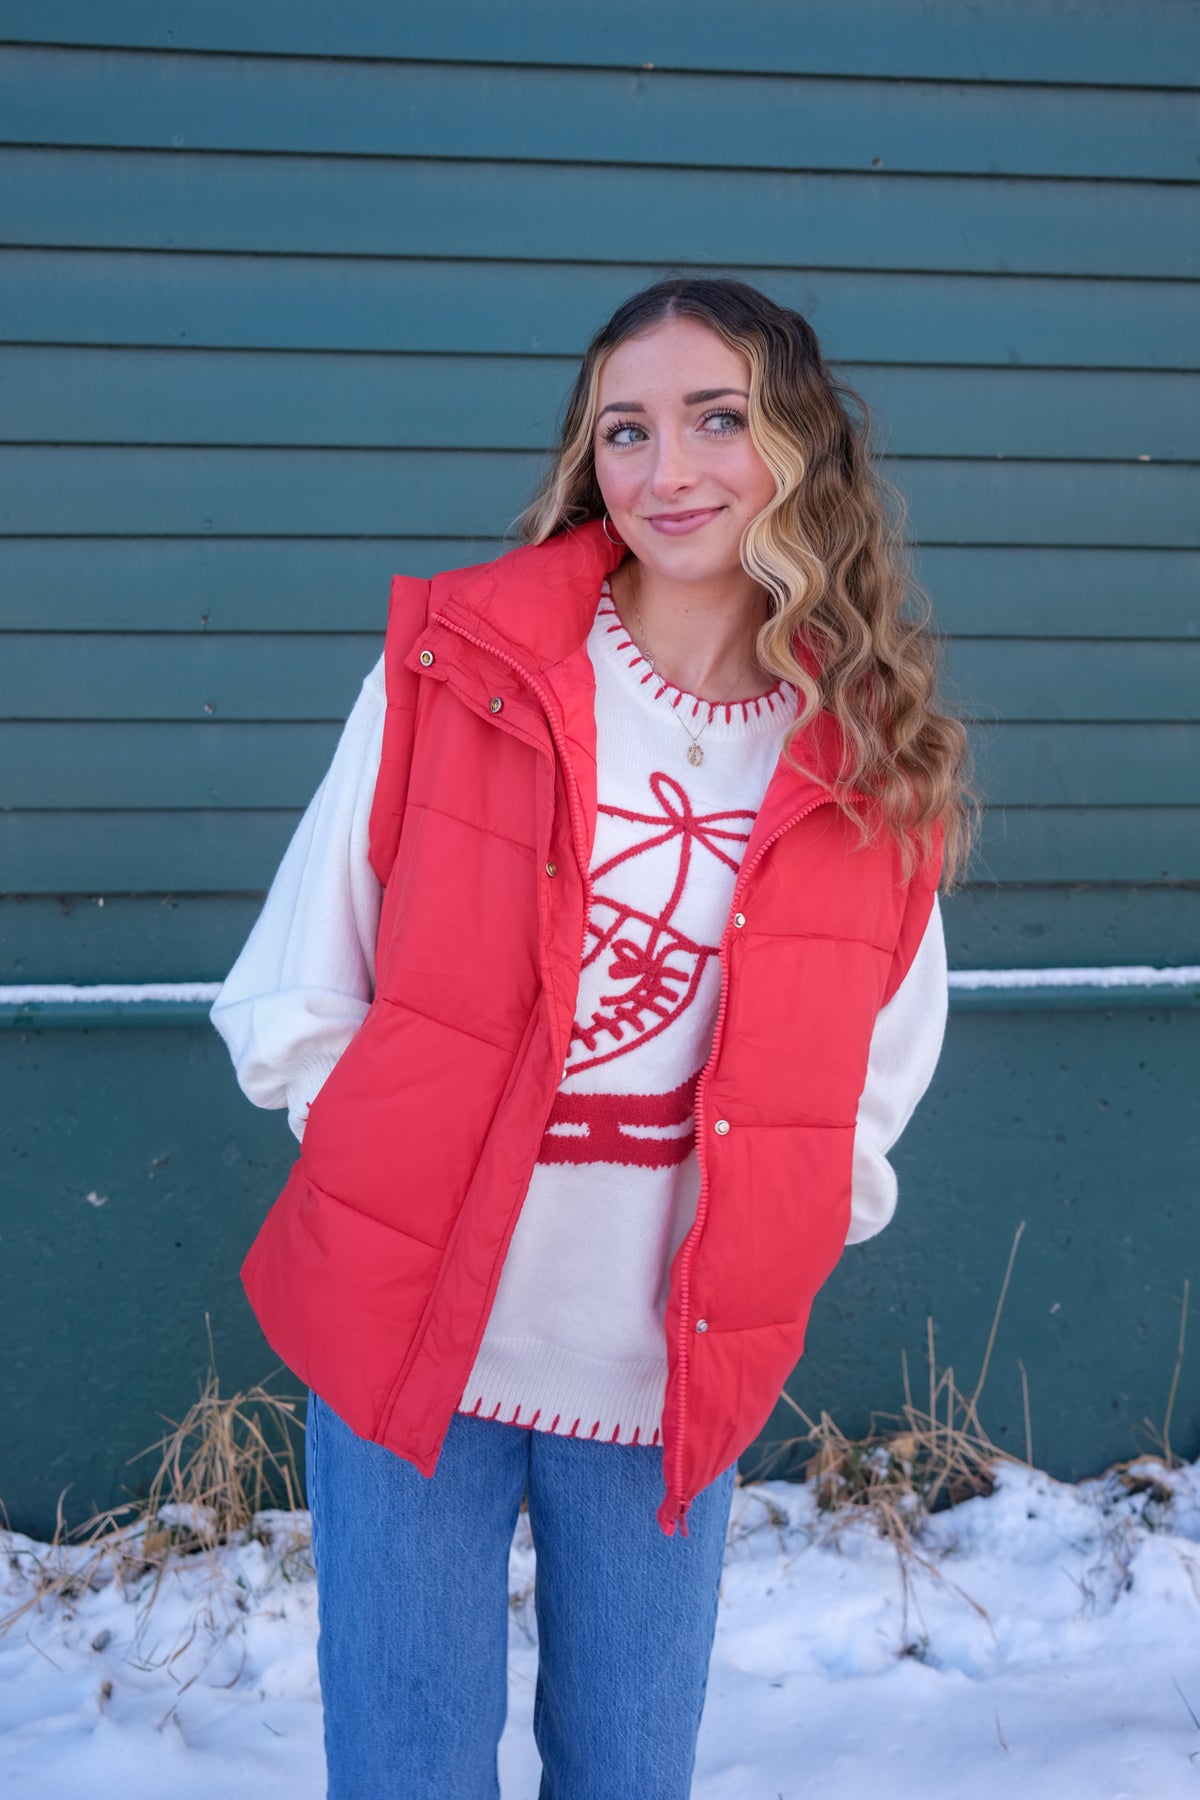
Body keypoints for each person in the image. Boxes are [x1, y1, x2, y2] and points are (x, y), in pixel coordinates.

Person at [210, 275, 971, 1799]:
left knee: (629, 1768)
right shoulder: (461, 671)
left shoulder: (867, 756)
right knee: (404, 1765)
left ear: (799, 451)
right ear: (590, 457)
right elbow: (302, 973)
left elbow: (879, 1063)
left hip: (665, 1357)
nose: (666, 469)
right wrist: (400, 1168)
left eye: (716, 419)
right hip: (412, 1323)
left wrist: (780, 1225)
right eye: (627, 429)